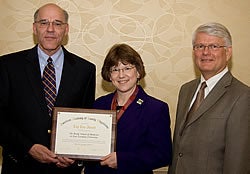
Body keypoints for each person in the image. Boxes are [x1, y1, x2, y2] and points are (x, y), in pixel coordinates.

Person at [0, 3, 96, 174]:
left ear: (66, 30)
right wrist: (28, 147)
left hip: (65, 170)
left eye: (57, 23)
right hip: (19, 167)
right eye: (44, 23)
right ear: (34, 28)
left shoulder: (85, 70)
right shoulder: (8, 66)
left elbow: (85, 117)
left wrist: (76, 154)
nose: (50, 29)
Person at [168, 22, 250, 174]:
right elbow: (179, 150)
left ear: (228, 52)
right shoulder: (186, 90)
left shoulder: (242, 96)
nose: (205, 52)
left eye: (213, 46)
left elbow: (237, 161)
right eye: (200, 46)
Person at [83, 43, 172, 174]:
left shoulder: (156, 109)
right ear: (109, 75)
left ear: (138, 72)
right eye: (115, 69)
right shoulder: (99, 104)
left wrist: (122, 159)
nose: (121, 75)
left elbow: (163, 155)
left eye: (127, 68)